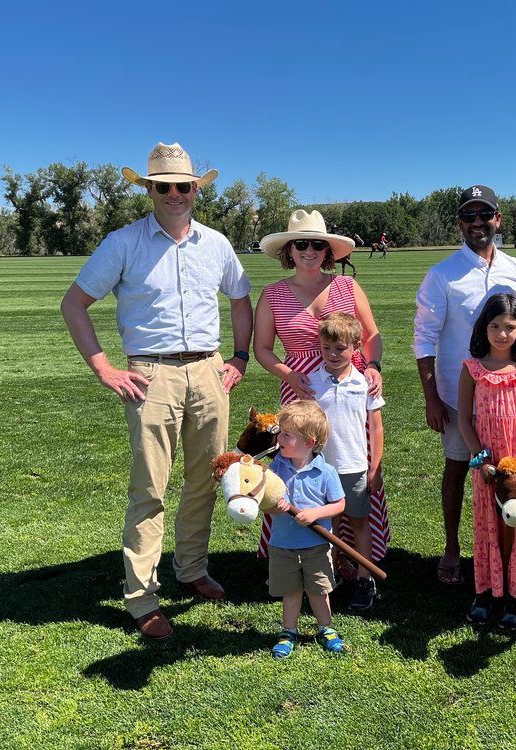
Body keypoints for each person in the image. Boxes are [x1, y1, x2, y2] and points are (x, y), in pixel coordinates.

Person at [59, 142, 253, 640]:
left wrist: (237, 357)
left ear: (195, 190)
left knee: (209, 478)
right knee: (150, 488)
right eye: (163, 186)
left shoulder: (216, 243)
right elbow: (74, 304)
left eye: (183, 186)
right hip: (151, 374)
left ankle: (191, 569)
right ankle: (142, 597)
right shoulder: (123, 243)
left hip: (209, 370)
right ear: (149, 190)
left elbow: (239, 298)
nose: (174, 194)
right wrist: (104, 368)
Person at [253, 209, 389, 572]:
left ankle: (356, 562)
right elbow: (262, 349)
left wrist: (372, 367)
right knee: (302, 471)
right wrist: (290, 375)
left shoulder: (347, 286)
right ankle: (307, 561)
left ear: (328, 249)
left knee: (350, 465)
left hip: (348, 385)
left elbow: (372, 335)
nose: (309, 250)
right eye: (301, 244)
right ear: (289, 250)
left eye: (317, 244)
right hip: (301, 394)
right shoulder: (273, 294)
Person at [414, 185, 516, 586]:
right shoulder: (443, 274)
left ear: (498, 220)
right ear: (460, 223)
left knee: (512, 471)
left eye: (485, 215)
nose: (478, 223)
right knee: (458, 469)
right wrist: (431, 397)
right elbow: (424, 337)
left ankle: (513, 551)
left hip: (509, 398)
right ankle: (452, 549)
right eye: (470, 216)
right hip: (456, 395)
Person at [457, 294, 516, 630]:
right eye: (495, 326)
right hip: (488, 466)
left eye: (509, 327)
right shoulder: (473, 369)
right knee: (488, 526)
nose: (501, 334)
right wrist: (480, 460)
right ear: (484, 327)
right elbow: (465, 420)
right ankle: (487, 592)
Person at [309, 312, 385, 610]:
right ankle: (327, 578)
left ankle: (365, 578)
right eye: (326, 348)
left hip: (354, 467)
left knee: (359, 523)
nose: (332, 354)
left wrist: (375, 467)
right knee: (327, 526)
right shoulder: (313, 381)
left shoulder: (365, 383)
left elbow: (376, 428)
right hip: (321, 469)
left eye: (340, 349)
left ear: (355, 347)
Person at [264, 400, 348, 658]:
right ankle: (288, 631)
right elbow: (264, 502)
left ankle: (326, 628)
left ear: (309, 443)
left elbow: (339, 504)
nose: (279, 438)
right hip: (283, 545)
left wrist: (315, 513)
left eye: (287, 435)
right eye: (281, 432)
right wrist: (272, 506)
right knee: (290, 592)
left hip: (316, 547)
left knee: (319, 591)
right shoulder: (275, 468)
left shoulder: (325, 472)